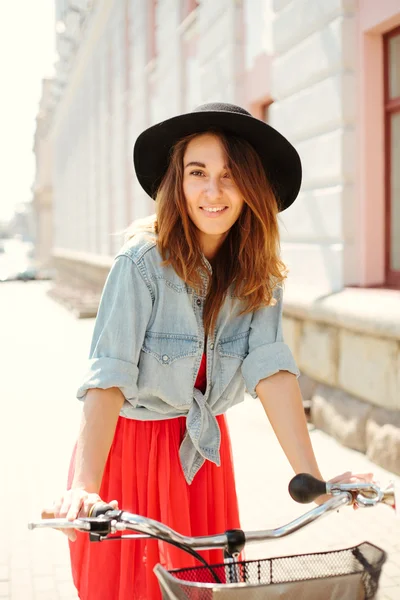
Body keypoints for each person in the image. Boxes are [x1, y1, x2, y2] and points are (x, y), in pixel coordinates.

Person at [51, 103, 372, 600]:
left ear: (251, 186)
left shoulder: (259, 273)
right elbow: (108, 377)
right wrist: (84, 486)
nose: (212, 191)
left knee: (208, 589)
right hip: (130, 454)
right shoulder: (141, 265)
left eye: (229, 175)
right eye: (197, 174)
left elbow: (272, 369)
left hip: (203, 456)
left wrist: (315, 478)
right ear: (177, 184)